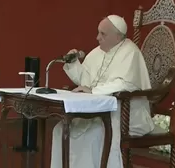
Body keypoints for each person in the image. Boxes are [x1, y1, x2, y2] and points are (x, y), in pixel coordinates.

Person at [50, 15, 155, 168]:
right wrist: (73, 64)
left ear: (118, 36)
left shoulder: (130, 52)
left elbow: (124, 84)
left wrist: (93, 91)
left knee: (94, 134)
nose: (97, 37)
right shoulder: (97, 52)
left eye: (103, 34)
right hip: (98, 110)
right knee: (60, 129)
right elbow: (85, 81)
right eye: (98, 32)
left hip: (125, 113)